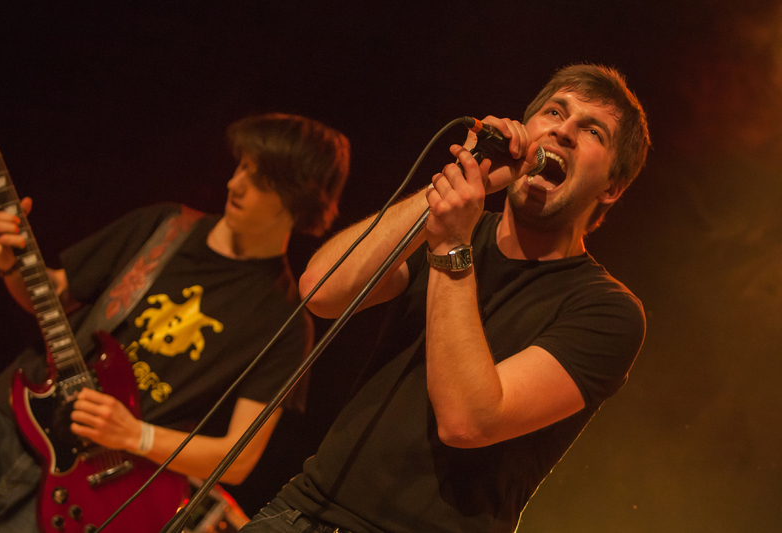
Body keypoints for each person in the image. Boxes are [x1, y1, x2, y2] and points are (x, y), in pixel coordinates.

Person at [240, 64, 651, 533]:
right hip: (300, 512)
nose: (563, 131)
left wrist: (452, 246)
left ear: (612, 187)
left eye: (592, 131)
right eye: (555, 112)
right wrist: (462, 177)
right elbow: (321, 290)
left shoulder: (607, 311)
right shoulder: (454, 223)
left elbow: (467, 421)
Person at [0, 112, 350, 531]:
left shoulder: (284, 324)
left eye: (260, 180)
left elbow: (238, 458)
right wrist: (12, 264)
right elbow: (55, 294)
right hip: (6, 418)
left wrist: (133, 434)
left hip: (88, 485)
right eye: (241, 166)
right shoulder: (164, 226)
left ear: (298, 200)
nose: (234, 184)